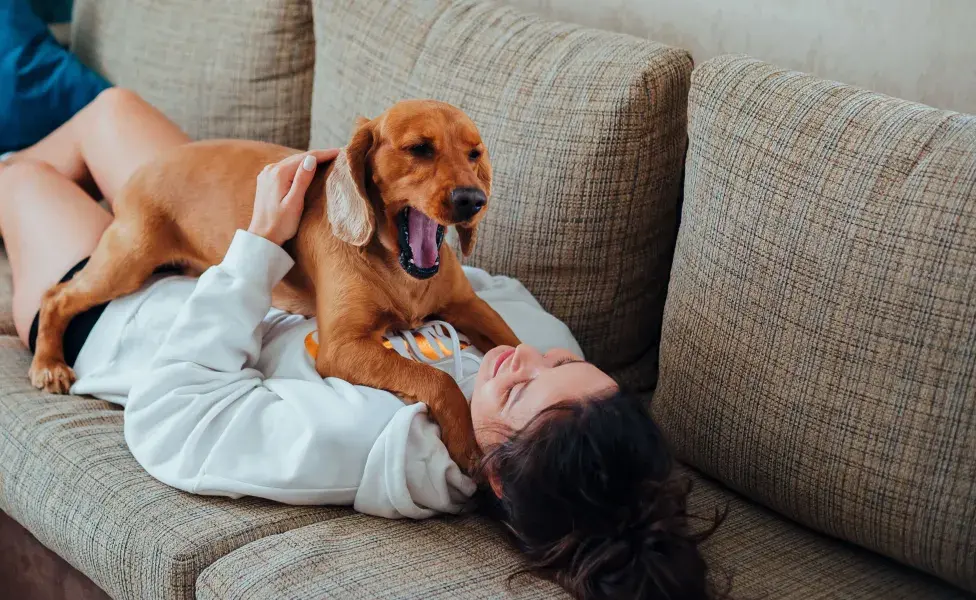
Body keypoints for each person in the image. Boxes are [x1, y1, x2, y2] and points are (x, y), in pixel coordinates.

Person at [0, 89, 722, 599]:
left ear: (494, 472)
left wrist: (257, 245)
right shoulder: (536, 352)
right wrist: (347, 202)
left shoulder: (373, 441)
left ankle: (33, 283)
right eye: (567, 363)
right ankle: (97, 212)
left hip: (131, 320)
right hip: (255, 241)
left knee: (21, 175)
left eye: (526, 386)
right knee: (113, 111)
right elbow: (477, 294)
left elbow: (170, 418)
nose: (531, 357)